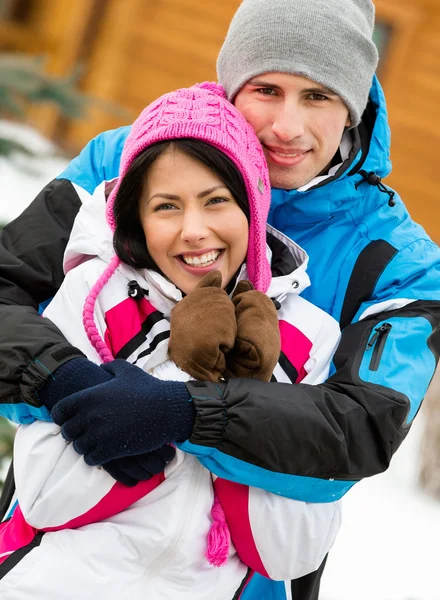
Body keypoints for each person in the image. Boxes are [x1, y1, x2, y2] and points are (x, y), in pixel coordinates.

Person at [0, 0, 439, 597]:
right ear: (231, 83)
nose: (287, 127)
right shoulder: (126, 162)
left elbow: (362, 426)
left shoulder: (397, 263)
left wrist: (185, 414)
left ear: (354, 104)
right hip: (48, 561)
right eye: (266, 89)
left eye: (318, 96)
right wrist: (61, 381)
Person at [0, 83, 342, 599]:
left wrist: (229, 391)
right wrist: (177, 366)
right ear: (137, 217)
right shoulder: (95, 300)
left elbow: (288, 552)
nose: (194, 230)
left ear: (253, 204)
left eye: (216, 201)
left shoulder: (308, 336)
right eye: (166, 207)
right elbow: (48, 498)